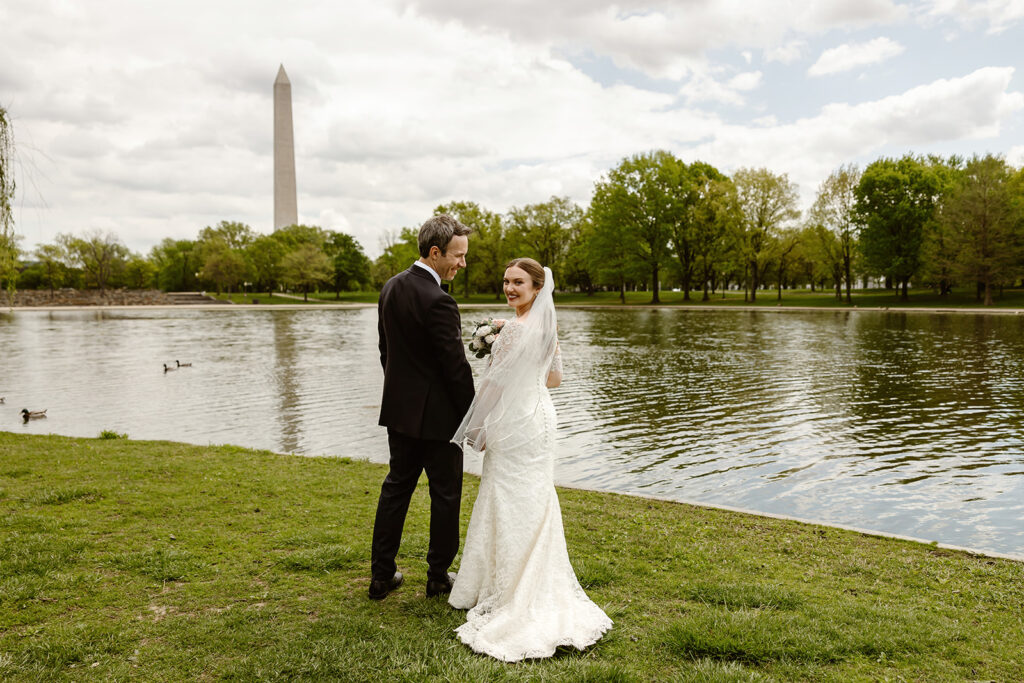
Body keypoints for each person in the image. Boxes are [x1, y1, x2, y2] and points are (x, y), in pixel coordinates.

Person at [449, 257, 612, 661]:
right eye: (505, 281)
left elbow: (491, 386)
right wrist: (511, 344)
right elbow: (553, 379)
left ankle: (507, 591)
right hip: (541, 420)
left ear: (537, 288)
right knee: (534, 499)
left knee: (505, 497)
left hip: (514, 423)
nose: (509, 288)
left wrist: (474, 428)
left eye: (518, 282)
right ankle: (528, 579)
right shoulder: (546, 329)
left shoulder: (513, 332)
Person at [370, 214, 475, 601]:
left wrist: (402, 393)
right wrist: (472, 416)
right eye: (458, 256)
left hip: (399, 412)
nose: (462, 264)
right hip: (441, 421)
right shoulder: (440, 301)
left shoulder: (390, 288)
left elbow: (386, 353)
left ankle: (381, 576)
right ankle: (437, 577)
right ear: (435, 252)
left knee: (396, 489)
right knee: (445, 495)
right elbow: (456, 369)